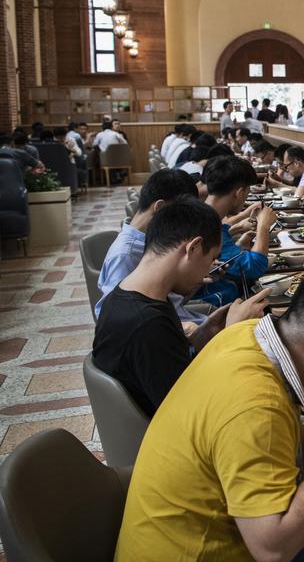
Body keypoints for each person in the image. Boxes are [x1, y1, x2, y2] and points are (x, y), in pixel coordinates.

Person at [114, 263, 304, 562]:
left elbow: (292, 421)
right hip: (198, 550)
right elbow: (272, 550)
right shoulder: (256, 404)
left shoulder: (250, 336)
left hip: (190, 527)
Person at [93, 198, 268, 417]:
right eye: (211, 259)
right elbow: (193, 408)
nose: (208, 272)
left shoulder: (129, 293)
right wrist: (231, 334)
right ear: (193, 248)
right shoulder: (147, 325)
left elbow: (171, 365)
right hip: (173, 434)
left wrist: (202, 336)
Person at [96, 169, 209, 320]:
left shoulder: (152, 242)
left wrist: (194, 278)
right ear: (160, 207)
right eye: (180, 214)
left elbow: (169, 301)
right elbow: (112, 317)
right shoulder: (126, 254)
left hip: (177, 321)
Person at [194, 157, 275, 307]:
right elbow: (254, 267)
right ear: (239, 192)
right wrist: (263, 225)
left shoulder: (203, 213)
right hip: (214, 305)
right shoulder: (205, 225)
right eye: (247, 192)